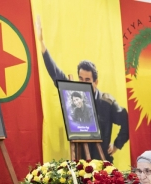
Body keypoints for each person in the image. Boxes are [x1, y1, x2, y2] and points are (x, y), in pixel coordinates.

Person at [35, 16, 129, 163]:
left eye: (87, 80)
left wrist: (117, 144)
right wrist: (42, 44)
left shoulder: (107, 102)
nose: (83, 83)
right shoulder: (74, 93)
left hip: (102, 162)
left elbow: (126, 120)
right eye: (81, 79)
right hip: (79, 161)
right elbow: (56, 74)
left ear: (96, 82)